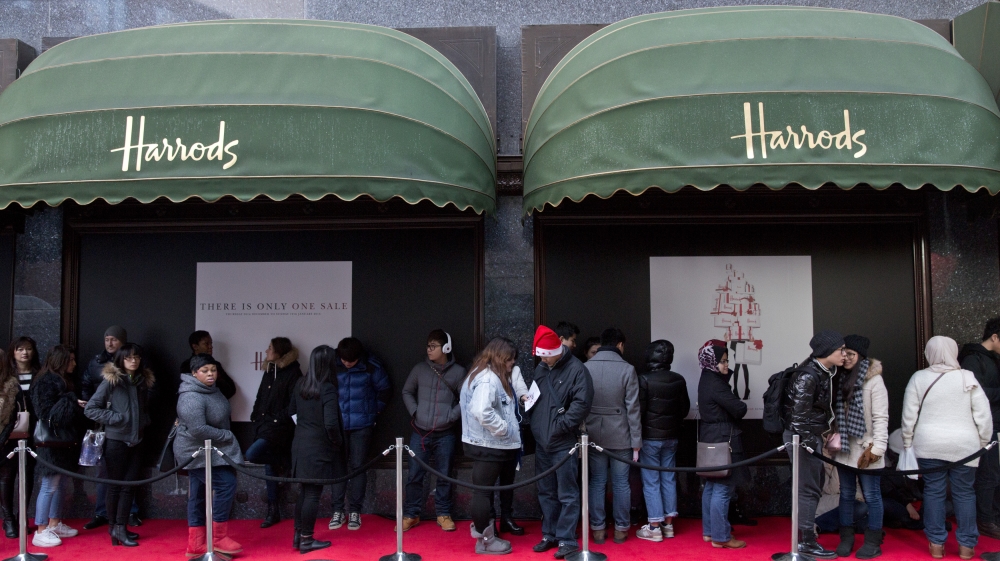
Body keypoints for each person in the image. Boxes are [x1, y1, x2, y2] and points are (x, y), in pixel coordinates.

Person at [901, 336, 992, 560]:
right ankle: (967, 547)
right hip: (965, 445)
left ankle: (936, 544)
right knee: (965, 493)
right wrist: (983, 442)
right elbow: (983, 413)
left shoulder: (919, 378)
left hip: (929, 444)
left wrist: (907, 442)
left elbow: (908, 415)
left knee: (933, 491)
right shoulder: (966, 377)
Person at [528, 325, 593, 559]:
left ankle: (567, 538)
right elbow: (535, 395)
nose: (544, 362)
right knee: (546, 491)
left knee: (567, 493)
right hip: (542, 441)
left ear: (558, 349)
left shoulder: (577, 369)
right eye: (541, 358)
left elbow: (582, 404)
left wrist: (561, 426)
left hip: (563, 441)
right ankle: (549, 534)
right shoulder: (542, 368)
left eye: (547, 357)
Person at [83, 343, 154, 547]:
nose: (134, 360)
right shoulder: (112, 381)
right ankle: (114, 528)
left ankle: (121, 528)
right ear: (121, 359)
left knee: (128, 487)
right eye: (129, 357)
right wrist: (116, 418)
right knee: (115, 486)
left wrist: (143, 420)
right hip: (116, 440)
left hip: (137, 440)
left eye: (137, 357)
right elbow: (91, 409)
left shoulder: (141, 381)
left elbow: (143, 408)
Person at [784, 329, 845, 560]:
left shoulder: (823, 372)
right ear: (826, 351)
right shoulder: (809, 375)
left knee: (810, 488)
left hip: (809, 438)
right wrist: (811, 445)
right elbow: (798, 418)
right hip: (803, 439)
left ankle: (807, 539)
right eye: (840, 350)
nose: (844, 354)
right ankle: (807, 542)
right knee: (808, 490)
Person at [175, 354, 244, 558]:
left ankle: (195, 543)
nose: (210, 374)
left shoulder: (214, 390)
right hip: (195, 451)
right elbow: (198, 429)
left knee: (198, 494)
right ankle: (218, 538)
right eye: (204, 371)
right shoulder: (190, 396)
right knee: (226, 483)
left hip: (212, 450)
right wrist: (226, 435)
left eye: (212, 370)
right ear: (194, 373)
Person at [400, 330, 466, 532]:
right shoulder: (420, 369)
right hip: (420, 432)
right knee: (414, 475)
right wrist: (415, 411)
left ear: (446, 348)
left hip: (445, 433)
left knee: (444, 475)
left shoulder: (459, 372)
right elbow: (407, 391)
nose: (429, 350)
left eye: (433, 346)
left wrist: (451, 416)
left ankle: (443, 514)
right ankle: (411, 514)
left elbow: (466, 399)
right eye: (428, 346)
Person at [461, 337, 522, 555]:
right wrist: (504, 429)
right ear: (500, 357)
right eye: (510, 360)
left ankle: (487, 537)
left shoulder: (480, 373)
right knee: (483, 493)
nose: (512, 364)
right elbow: (481, 411)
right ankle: (485, 541)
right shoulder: (488, 379)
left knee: (483, 492)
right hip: (489, 444)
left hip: (485, 443)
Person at [583, 328, 641, 545]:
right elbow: (633, 409)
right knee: (621, 483)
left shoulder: (586, 367)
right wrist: (637, 442)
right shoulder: (628, 369)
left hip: (593, 435)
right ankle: (621, 529)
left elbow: (581, 405)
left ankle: (597, 529)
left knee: (597, 482)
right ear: (620, 345)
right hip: (621, 435)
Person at [833, 335, 888, 559]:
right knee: (846, 493)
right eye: (844, 353)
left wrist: (878, 448)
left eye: (851, 354)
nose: (846, 358)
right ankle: (846, 538)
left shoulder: (874, 381)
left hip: (867, 448)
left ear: (861, 356)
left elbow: (881, 417)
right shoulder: (838, 378)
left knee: (872, 495)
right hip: (845, 446)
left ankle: (873, 541)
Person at [329, 337, 391, 532]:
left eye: (351, 361)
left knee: (357, 467)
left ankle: (355, 511)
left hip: (362, 425)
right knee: (338, 468)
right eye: (344, 360)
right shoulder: (331, 365)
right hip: (337, 426)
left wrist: (374, 412)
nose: (347, 363)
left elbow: (385, 390)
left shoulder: (371, 366)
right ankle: (338, 511)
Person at [289, 345, 344, 554]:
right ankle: (306, 539)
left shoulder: (300, 383)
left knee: (304, 492)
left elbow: (291, 411)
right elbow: (331, 423)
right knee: (312, 494)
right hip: (319, 448)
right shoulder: (328, 388)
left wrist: (306, 428)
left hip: (299, 445)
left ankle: (298, 536)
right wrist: (336, 442)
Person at [30, 345, 84, 548]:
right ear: (60, 360)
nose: (74, 363)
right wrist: (71, 400)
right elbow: (47, 413)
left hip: (63, 441)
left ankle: (54, 522)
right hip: (50, 442)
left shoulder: (64, 381)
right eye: (70, 359)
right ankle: (41, 529)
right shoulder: (45, 381)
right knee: (49, 485)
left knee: (60, 484)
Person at [245, 337, 301, 529]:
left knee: (253, 454)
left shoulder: (293, 372)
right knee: (269, 464)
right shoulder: (269, 370)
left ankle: (285, 462)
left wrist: (277, 419)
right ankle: (273, 510)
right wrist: (255, 415)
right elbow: (261, 395)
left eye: (270, 348)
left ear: (280, 351)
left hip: (281, 427)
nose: (267, 350)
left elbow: (293, 404)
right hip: (264, 425)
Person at [636, 339, 689, 542]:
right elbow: (683, 410)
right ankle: (668, 524)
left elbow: (639, 412)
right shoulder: (679, 379)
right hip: (672, 436)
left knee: (651, 481)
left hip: (650, 438)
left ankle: (654, 527)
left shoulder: (644, 379)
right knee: (668, 478)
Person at [697, 340, 747, 549]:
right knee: (723, 487)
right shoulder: (716, 384)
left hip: (710, 435)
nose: (727, 365)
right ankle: (721, 536)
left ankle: (710, 532)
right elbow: (739, 409)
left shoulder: (706, 378)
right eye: (723, 361)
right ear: (712, 361)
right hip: (724, 437)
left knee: (711, 485)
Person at [80, 325, 131, 531]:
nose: (109, 343)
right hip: (102, 424)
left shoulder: (132, 360)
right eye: (107, 339)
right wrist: (89, 402)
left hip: (128, 425)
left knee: (128, 473)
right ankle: (103, 512)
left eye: (114, 339)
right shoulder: (96, 362)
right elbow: (86, 384)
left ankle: (129, 513)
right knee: (104, 471)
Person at [959, 318, 1000, 540]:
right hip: (984, 428)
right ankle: (986, 519)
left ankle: (992, 516)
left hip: (995, 424)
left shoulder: (991, 358)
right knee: (988, 475)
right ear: (994, 337)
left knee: (994, 474)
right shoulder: (973, 359)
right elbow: (975, 394)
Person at [0, 337, 38, 537]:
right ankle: (8, 520)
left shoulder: (38, 374)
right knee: (6, 477)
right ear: (12, 352)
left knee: (27, 476)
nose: (25, 353)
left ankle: (22, 516)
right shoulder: (7, 375)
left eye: (29, 349)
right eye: (20, 349)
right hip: (7, 433)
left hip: (30, 431)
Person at [0, 348, 21, 538]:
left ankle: (8, 520)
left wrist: (3, 438)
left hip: (6, 442)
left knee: (6, 483)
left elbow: (14, 417)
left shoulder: (11, 385)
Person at [180, 331, 236, 399]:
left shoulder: (216, 364)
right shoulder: (187, 366)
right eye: (206, 344)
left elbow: (232, 389)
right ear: (195, 347)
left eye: (211, 343)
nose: (210, 347)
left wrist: (219, 379)